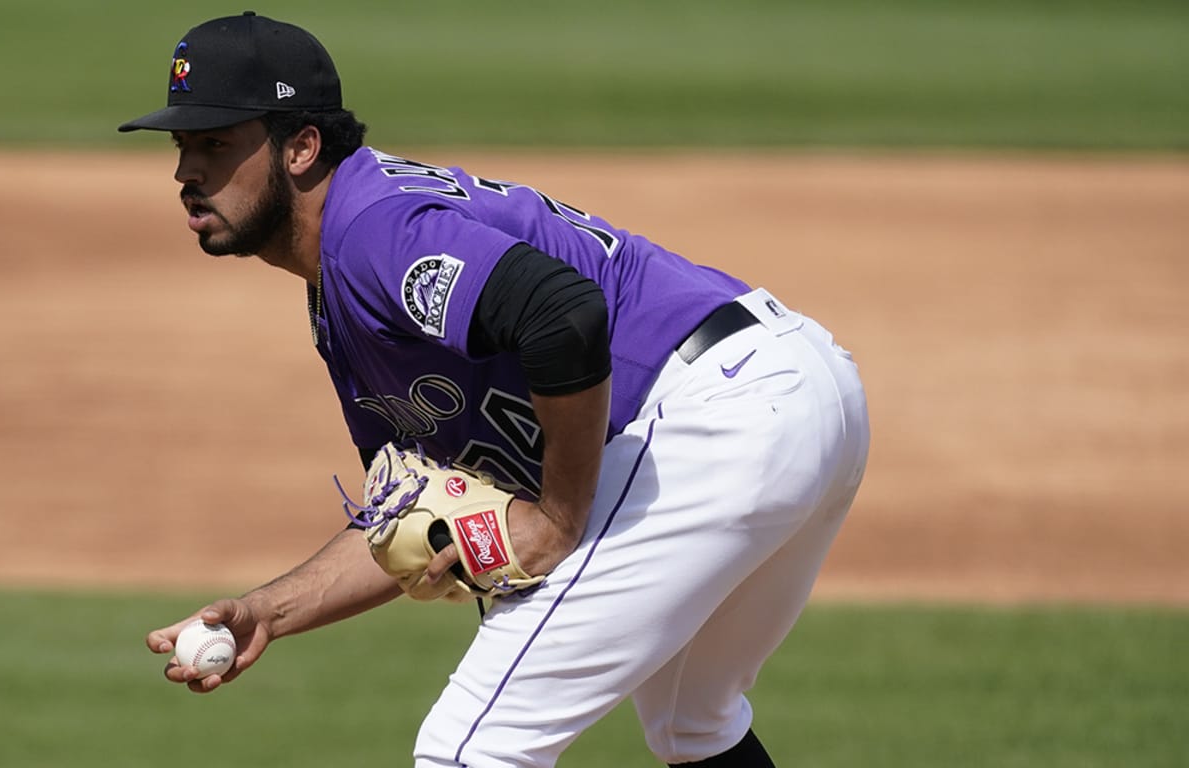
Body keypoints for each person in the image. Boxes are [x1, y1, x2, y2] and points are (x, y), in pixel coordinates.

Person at [120, 12, 870, 768]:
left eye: (216, 145)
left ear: (302, 147)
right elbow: (404, 500)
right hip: (796, 392)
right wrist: (268, 612)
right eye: (184, 146)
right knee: (693, 722)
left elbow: (561, 314)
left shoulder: (374, 233)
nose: (187, 172)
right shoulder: (338, 289)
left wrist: (557, 518)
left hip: (713, 419)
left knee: (469, 751)